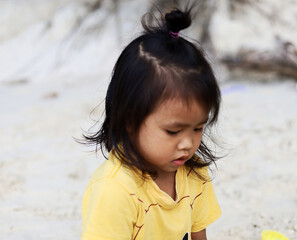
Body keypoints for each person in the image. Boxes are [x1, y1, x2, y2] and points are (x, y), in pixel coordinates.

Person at [81, 4, 222, 240]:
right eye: (173, 131)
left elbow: (198, 235)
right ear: (130, 120)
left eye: (198, 128)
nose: (188, 143)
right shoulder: (115, 191)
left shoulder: (193, 173)